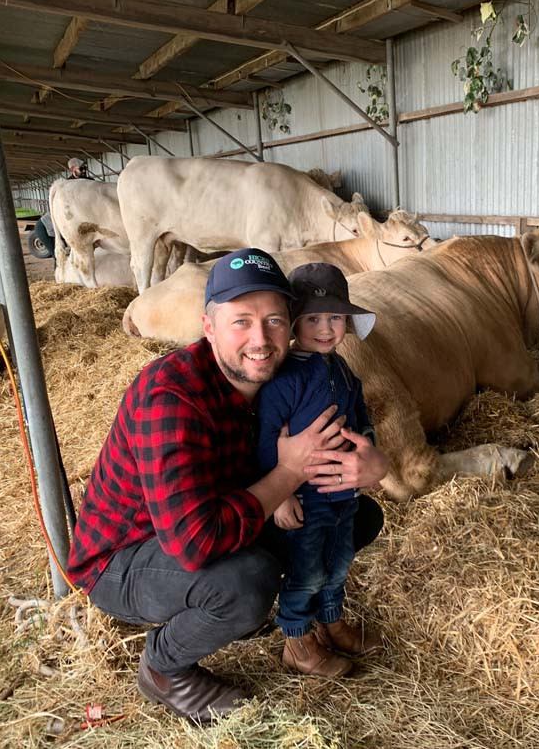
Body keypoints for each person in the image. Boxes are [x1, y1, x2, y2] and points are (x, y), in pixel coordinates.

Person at [66, 248, 390, 725]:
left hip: (214, 517)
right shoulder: (170, 397)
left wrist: (373, 463)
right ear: (208, 326)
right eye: (241, 321)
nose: (260, 339)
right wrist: (288, 475)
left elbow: (344, 434)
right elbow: (193, 544)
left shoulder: (282, 377)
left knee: (354, 516)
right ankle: (163, 667)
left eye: (275, 321)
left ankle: (292, 618)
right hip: (126, 557)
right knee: (246, 582)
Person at [255, 263, 382, 678]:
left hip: (343, 494)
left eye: (334, 317)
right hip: (306, 495)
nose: (325, 328)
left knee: (338, 562)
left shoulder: (343, 371)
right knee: (306, 570)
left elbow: (362, 417)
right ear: (293, 324)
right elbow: (266, 438)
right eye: (312, 318)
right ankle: (298, 640)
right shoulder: (284, 379)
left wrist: (369, 452)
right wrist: (281, 495)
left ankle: (332, 623)